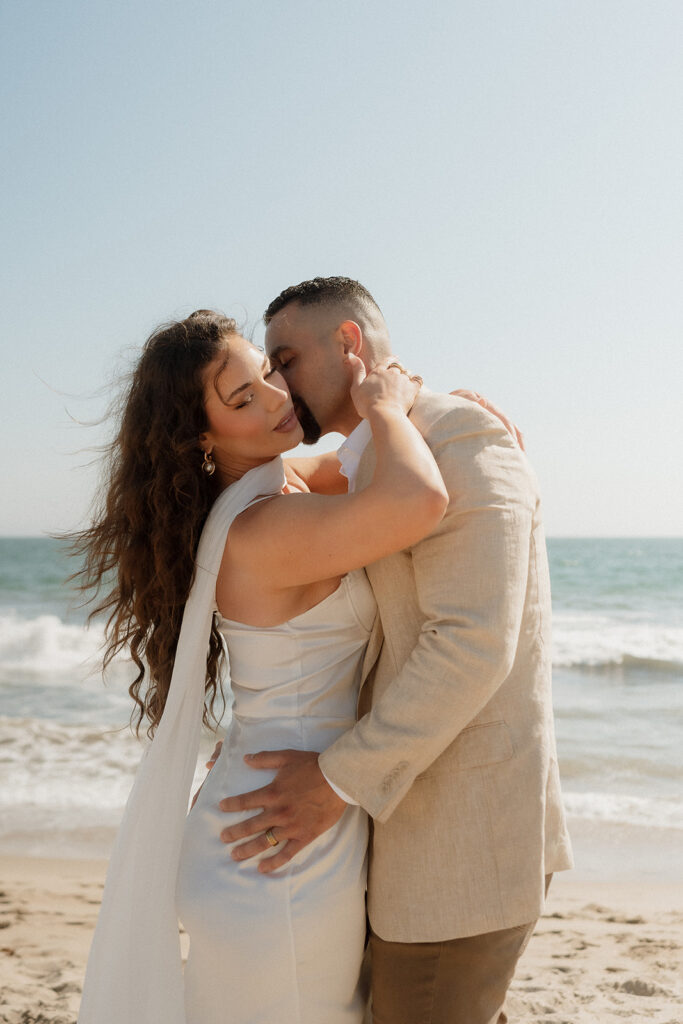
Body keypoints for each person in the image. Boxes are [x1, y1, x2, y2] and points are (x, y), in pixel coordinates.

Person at [215, 277, 574, 1024]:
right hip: (389, 834)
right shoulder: (368, 458)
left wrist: (333, 781)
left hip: (463, 836)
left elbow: (472, 646)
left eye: (284, 361)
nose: (277, 387)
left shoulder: (457, 435)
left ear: (349, 344)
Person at [74, 308, 448, 1024]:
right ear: (201, 439)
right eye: (243, 399)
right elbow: (417, 497)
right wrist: (383, 404)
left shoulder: (260, 491)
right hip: (279, 857)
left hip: (265, 821)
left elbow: (349, 464)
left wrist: (457, 417)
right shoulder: (264, 529)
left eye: (270, 372)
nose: (277, 398)